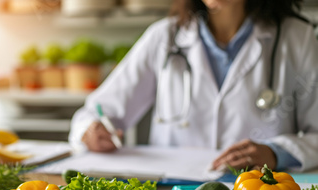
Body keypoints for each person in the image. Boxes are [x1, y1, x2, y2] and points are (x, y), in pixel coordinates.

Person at [69, 0, 318, 172]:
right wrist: (90, 132)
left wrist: (275, 153)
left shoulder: (297, 38)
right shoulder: (164, 37)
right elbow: (95, 112)